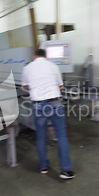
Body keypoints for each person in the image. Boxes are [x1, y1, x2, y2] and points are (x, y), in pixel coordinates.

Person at [22, 48, 75, 179]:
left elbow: (24, 86)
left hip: (38, 105)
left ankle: (43, 167)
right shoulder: (53, 66)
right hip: (55, 103)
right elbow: (61, 86)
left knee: (40, 136)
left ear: (34, 56)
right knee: (61, 135)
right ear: (45, 56)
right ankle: (66, 170)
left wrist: (35, 86)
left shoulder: (27, 68)